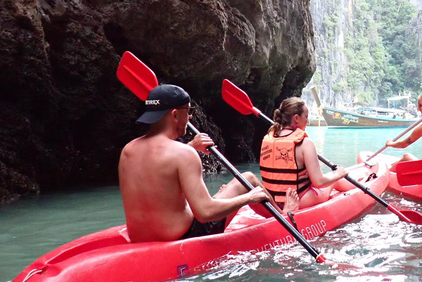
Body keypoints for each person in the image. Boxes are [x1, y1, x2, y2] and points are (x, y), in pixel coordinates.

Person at [119, 84, 296, 242]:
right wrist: (249, 198)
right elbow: (205, 213)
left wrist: (191, 146)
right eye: (188, 112)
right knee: (248, 179)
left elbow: (159, 172)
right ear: (175, 115)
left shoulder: (128, 151)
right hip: (185, 236)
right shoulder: (183, 154)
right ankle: (284, 216)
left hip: (139, 238)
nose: (189, 117)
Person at [260, 97, 349, 209]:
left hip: (272, 203)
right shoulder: (305, 143)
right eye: (306, 117)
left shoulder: (268, 138)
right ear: (296, 118)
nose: (308, 121)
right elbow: (319, 182)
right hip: (298, 201)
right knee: (334, 180)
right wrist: (338, 174)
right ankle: (360, 192)